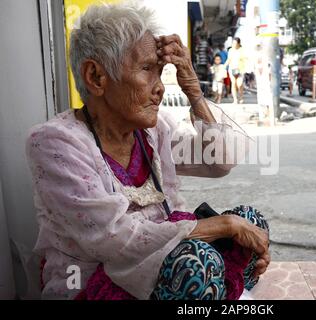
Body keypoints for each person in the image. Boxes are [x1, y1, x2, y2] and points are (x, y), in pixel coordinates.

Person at [26, 2, 270, 300]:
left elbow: (219, 163)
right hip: (89, 278)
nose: (160, 88)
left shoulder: (153, 131)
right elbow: (112, 239)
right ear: (96, 77)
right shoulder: (55, 143)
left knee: (250, 220)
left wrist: (193, 88)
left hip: (162, 259)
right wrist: (224, 226)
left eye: (160, 72)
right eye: (146, 70)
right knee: (198, 263)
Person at [224, 38, 246, 104]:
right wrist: (225, 65)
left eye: (235, 44)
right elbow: (229, 59)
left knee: (239, 84)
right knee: (233, 83)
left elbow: (246, 59)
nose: (233, 45)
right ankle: (235, 99)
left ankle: (241, 97)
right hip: (232, 68)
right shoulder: (230, 50)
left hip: (240, 69)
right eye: (233, 43)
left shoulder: (242, 50)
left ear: (239, 44)